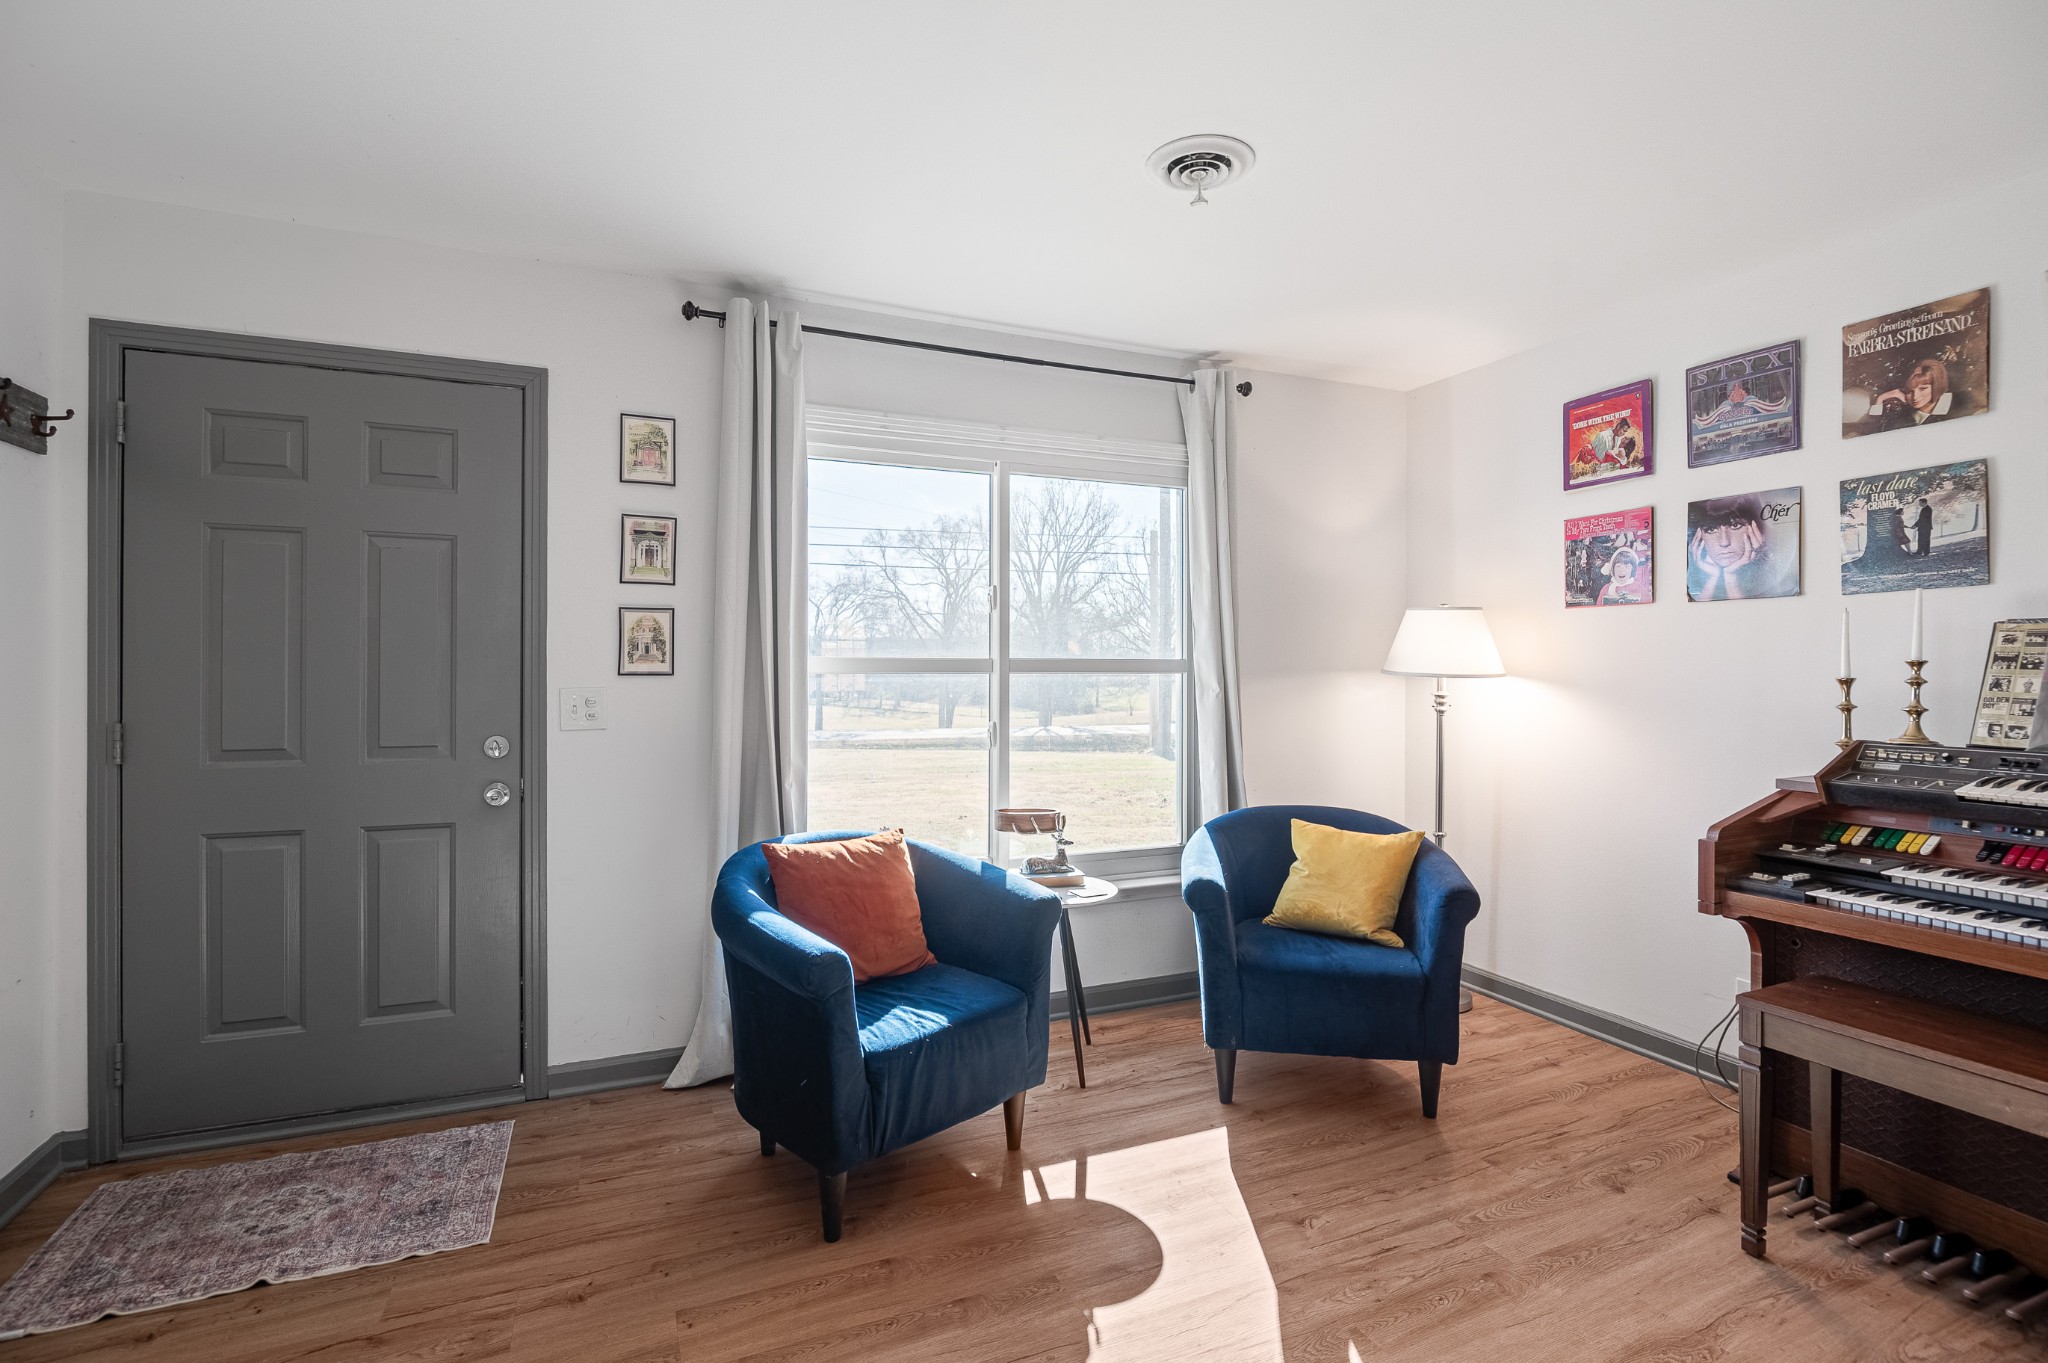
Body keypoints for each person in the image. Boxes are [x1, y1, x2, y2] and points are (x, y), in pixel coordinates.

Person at [1689, 494, 1796, 601]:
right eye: (1711, 529)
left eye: (1735, 526)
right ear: (1699, 537)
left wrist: (1731, 579)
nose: (1724, 542)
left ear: (1756, 529)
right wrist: (1710, 580)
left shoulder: (1784, 581)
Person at [1871, 357, 1961, 430]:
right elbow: (1874, 431)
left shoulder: (1961, 404)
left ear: (1936, 385)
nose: (1915, 397)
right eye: (1909, 391)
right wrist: (1881, 398)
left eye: (1923, 389)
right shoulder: (1902, 417)